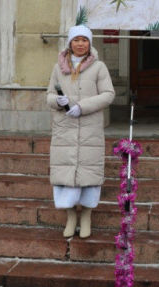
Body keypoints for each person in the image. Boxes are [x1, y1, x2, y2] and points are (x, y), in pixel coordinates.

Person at [46, 25, 115, 238]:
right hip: (64, 130)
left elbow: (108, 94)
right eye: (76, 40)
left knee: (89, 175)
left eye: (84, 40)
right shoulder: (59, 67)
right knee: (65, 175)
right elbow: (48, 94)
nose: (80, 44)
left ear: (90, 43)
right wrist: (57, 100)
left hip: (89, 130)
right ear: (70, 43)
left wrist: (83, 106)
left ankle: (86, 216)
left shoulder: (99, 67)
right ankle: (70, 216)